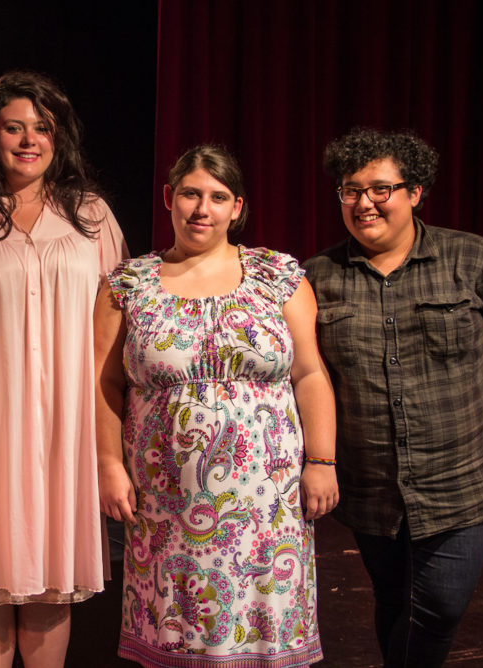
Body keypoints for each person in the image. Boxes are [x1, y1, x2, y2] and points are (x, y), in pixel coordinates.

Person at [303, 128, 483, 667]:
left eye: (380, 189)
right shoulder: (317, 278)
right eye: (350, 189)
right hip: (371, 486)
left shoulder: (478, 261)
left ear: (415, 192)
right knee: (394, 598)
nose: (363, 202)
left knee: (439, 605)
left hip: (461, 479)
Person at [94, 144, 338, 667]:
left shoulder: (277, 275)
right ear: (168, 198)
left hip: (267, 502)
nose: (202, 208)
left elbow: (311, 372)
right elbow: (105, 382)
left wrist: (321, 460)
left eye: (217, 197)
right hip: (166, 505)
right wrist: (109, 465)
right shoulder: (128, 283)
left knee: (264, 640)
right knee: (178, 638)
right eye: (190, 194)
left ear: (237, 207)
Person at [0, 71, 128, 667]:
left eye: (42, 128)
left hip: (69, 424)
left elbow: (120, 324)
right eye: (14, 127)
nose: (28, 140)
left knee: (51, 570)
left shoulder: (90, 217)